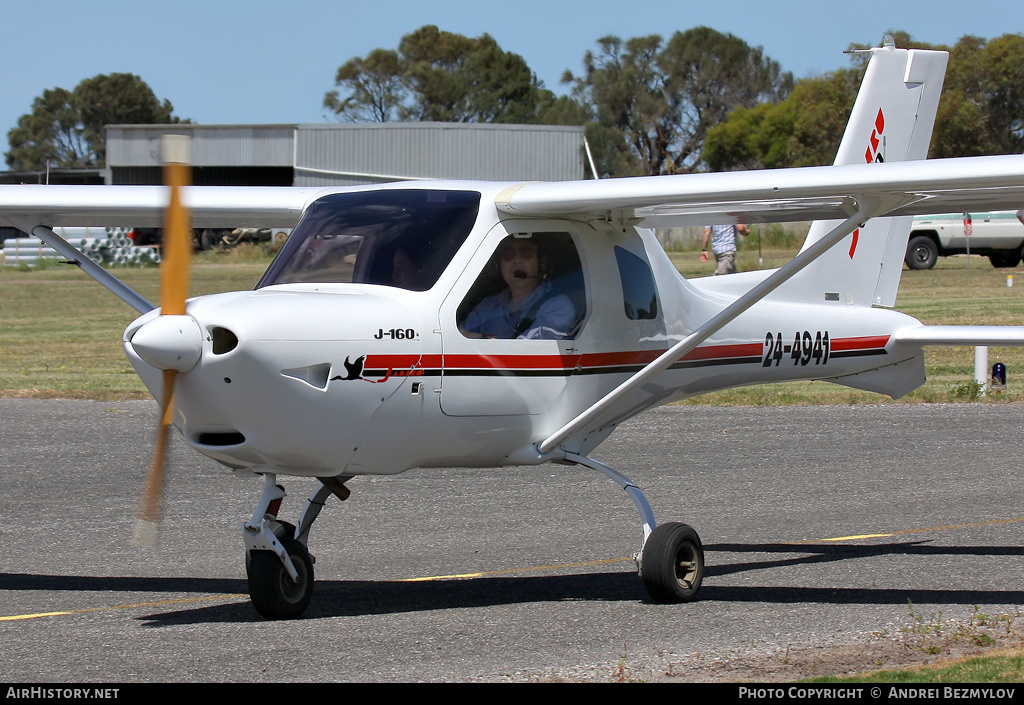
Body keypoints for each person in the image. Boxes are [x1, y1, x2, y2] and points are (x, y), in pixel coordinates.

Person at [460, 236, 575, 340]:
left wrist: (481, 339)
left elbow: (526, 352)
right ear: (499, 265)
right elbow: (458, 337)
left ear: (541, 262)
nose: (517, 260)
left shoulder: (558, 306)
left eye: (526, 253)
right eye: (508, 254)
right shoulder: (487, 307)